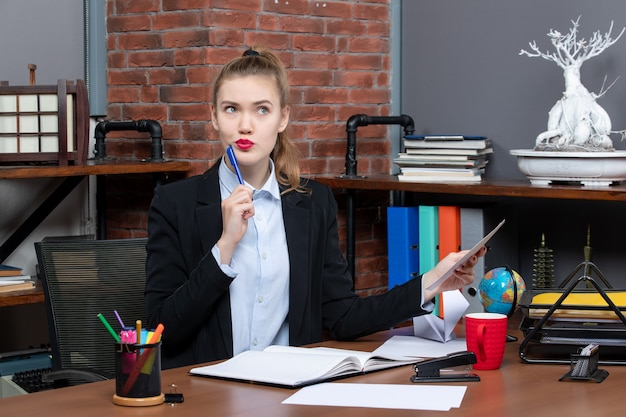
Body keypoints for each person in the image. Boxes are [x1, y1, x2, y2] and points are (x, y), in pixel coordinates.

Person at [145, 47, 486, 369]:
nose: (245, 125)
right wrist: (225, 247)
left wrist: (431, 282)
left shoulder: (313, 203)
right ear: (214, 117)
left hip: (289, 390)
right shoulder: (175, 204)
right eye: (231, 109)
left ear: (283, 118)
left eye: (262, 109)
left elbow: (342, 316)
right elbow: (162, 331)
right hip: (206, 397)